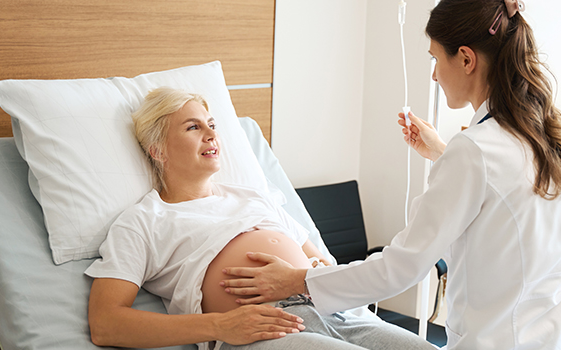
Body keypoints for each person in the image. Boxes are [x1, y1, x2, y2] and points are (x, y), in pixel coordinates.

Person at [220, 0, 561, 349]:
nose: (435, 74)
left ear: (467, 59)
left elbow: (400, 268)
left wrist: (298, 280)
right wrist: (442, 152)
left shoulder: (474, 152)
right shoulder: (554, 130)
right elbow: (509, 197)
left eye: (436, 58)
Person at [84, 87, 437, 350]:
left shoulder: (255, 196)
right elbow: (105, 323)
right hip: (263, 334)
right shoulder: (144, 222)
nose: (211, 134)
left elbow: (321, 260)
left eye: (211, 124)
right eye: (192, 127)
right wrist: (220, 325)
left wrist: (317, 267)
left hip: (332, 314)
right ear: (157, 150)